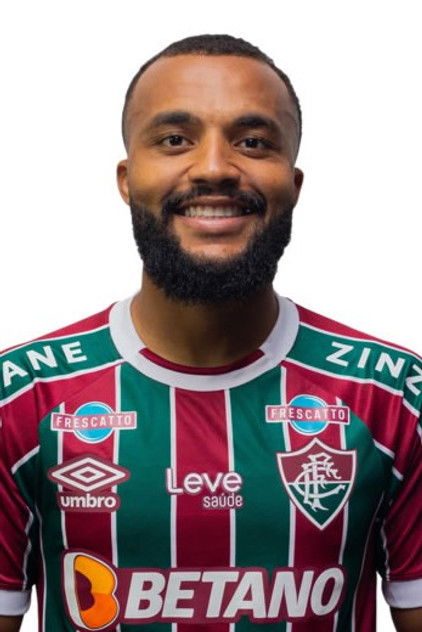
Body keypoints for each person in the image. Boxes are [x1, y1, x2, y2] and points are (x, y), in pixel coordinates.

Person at [0, 34, 420, 632]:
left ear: (294, 184)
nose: (216, 168)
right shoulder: (20, 397)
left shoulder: (393, 396)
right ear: (127, 178)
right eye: (175, 140)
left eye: (253, 142)